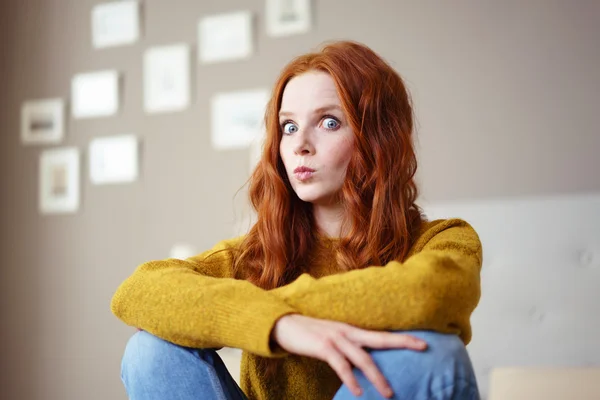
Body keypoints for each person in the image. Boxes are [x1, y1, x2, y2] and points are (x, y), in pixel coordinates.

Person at [111, 40, 483, 400]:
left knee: (436, 354)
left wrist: (274, 308)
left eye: (329, 122)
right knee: (150, 351)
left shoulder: (443, 240)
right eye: (289, 126)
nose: (300, 143)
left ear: (377, 138)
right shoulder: (258, 254)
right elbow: (138, 290)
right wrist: (278, 325)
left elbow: (433, 293)